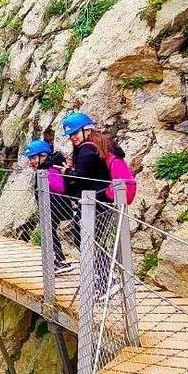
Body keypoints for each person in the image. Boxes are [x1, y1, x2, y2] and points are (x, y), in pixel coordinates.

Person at [55, 112, 127, 298]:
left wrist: (66, 171)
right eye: (70, 135)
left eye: (74, 133)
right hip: (103, 200)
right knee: (93, 240)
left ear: (86, 130)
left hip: (94, 202)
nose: (72, 137)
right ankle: (104, 279)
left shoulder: (87, 150)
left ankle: (107, 279)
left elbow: (81, 177)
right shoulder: (100, 144)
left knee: (85, 239)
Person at [24, 140, 72, 275]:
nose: (31, 162)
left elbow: (60, 188)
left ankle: (60, 260)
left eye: (33, 158)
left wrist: (45, 183)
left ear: (44, 156)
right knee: (49, 232)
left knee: (49, 231)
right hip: (53, 206)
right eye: (30, 159)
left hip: (54, 207)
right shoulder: (47, 168)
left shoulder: (48, 169)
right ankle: (59, 260)